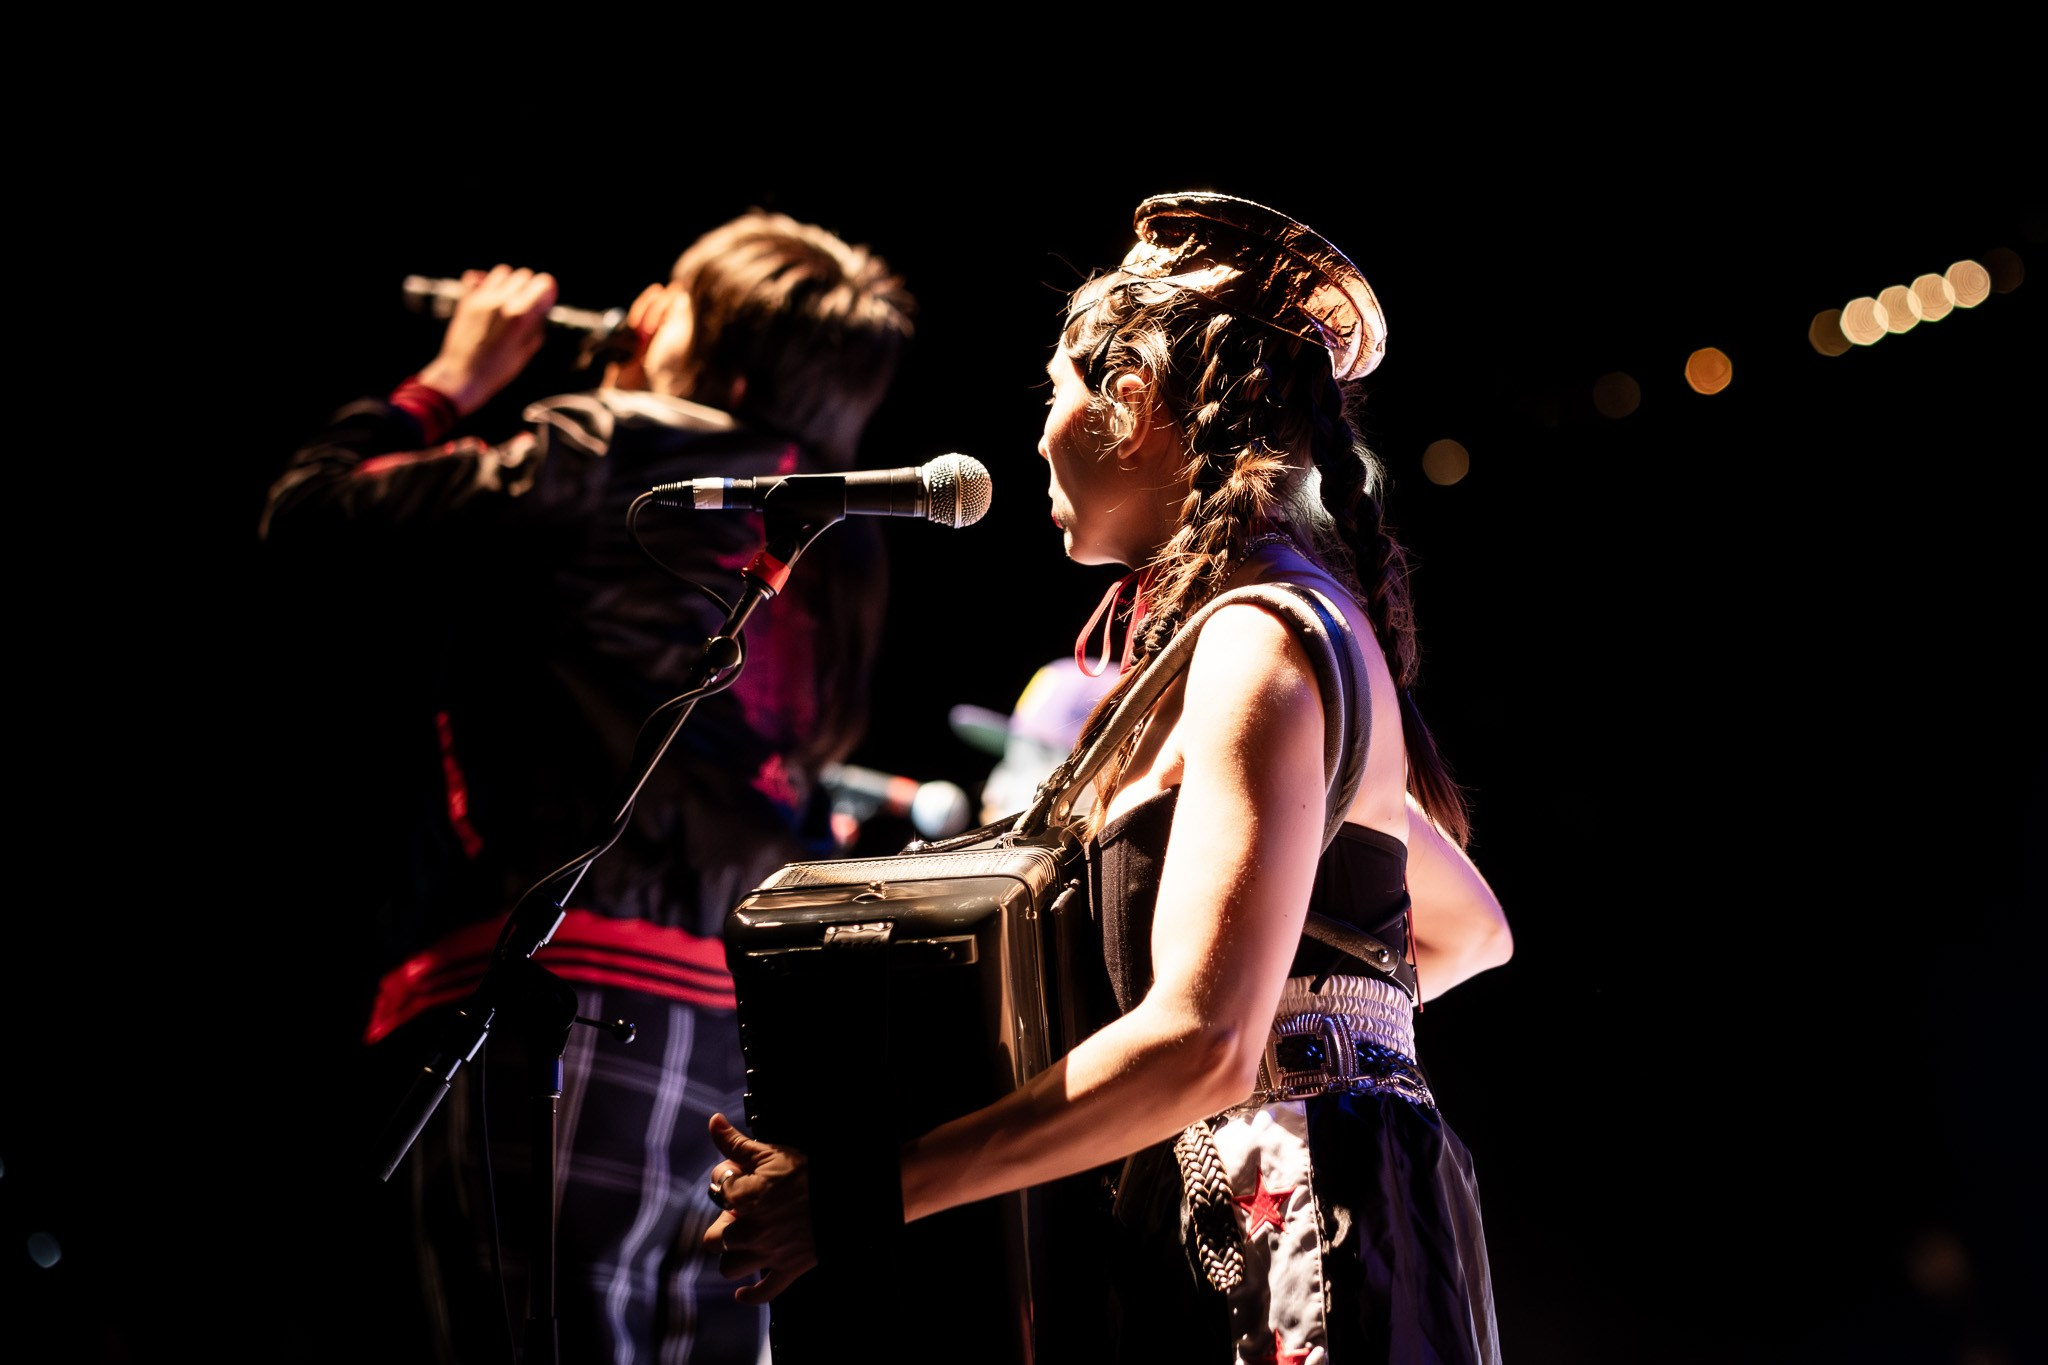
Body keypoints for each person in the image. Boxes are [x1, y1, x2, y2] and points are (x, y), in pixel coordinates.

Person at [702, 191, 1513, 1364]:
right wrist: (1313, 1040)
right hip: (1272, 1214)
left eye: (1053, 391)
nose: (1037, 433)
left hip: (1292, 1241)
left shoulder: (1257, 639)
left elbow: (1200, 1046)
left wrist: (864, 1193)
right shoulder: (1245, 640)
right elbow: (1465, 927)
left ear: (1129, 398)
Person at [257, 209, 916, 1364]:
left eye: (676, 294)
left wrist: (456, 376)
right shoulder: (844, 536)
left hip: (546, 993)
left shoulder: (606, 443)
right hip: (724, 1028)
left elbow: (315, 517)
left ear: (715, 345)